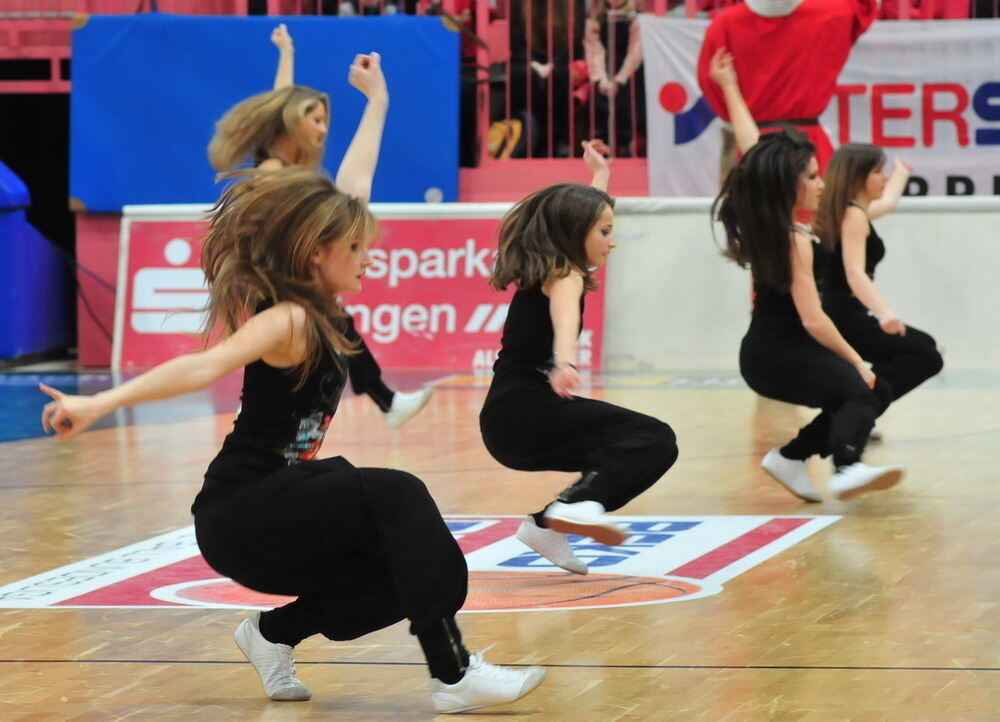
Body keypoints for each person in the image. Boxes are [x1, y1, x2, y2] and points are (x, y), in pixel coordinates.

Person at [39, 168, 546, 714]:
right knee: (398, 492)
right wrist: (97, 403)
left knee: (412, 569)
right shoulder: (288, 318)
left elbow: (348, 192)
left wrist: (375, 104)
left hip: (284, 509)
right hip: (240, 511)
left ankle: (272, 634)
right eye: (354, 247)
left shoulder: (326, 309)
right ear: (314, 253)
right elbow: (202, 366)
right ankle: (454, 674)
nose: (367, 256)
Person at [208, 26, 433, 429]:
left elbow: (350, 197)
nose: (323, 128)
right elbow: (349, 193)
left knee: (332, 327)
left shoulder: (294, 179)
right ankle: (384, 402)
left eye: (325, 119)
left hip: (292, 295)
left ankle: (383, 401)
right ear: (291, 123)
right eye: (315, 119)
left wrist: (376, 101)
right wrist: (375, 101)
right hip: (279, 294)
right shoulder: (275, 175)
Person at [709, 48, 902, 502]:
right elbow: (813, 319)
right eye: (813, 176)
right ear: (789, 184)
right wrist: (856, 359)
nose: (822, 183)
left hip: (778, 350)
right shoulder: (790, 237)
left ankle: (792, 458)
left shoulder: (787, 226)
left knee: (872, 391)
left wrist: (731, 88)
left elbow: (755, 150)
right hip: (775, 352)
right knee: (859, 388)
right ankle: (846, 467)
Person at [479, 140, 678, 575]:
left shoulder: (556, 264)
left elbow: (585, 216)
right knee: (655, 438)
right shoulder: (564, 273)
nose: (614, 242)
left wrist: (600, 175)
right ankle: (577, 504)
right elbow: (565, 315)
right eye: (605, 233)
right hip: (523, 412)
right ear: (576, 234)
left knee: (635, 444)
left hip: (509, 419)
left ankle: (546, 525)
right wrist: (564, 362)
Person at [814, 146, 943, 438]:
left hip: (844, 314)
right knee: (925, 353)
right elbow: (855, 273)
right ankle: (857, 412)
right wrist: (885, 313)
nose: (883, 178)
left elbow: (887, 204)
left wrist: (901, 174)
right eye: (878, 172)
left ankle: (857, 412)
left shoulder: (851, 212)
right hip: (845, 318)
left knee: (920, 349)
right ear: (858, 177)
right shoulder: (853, 216)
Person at [696, 0, 876, 179]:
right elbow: (866, 7)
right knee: (820, 204)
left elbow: (710, 81)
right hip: (810, 144)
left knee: (757, 205)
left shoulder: (725, 23)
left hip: (752, 142)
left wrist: (736, 112)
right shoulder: (834, 12)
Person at [584, 0, 645, 157]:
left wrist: (620, 79)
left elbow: (635, 52)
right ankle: (602, 150)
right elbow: (594, 50)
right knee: (598, 108)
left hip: (630, 73)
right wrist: (601, 78)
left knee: (627, 106)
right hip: (604, 71)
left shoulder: (636, 18)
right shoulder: (596, 19)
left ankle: (626, 148)